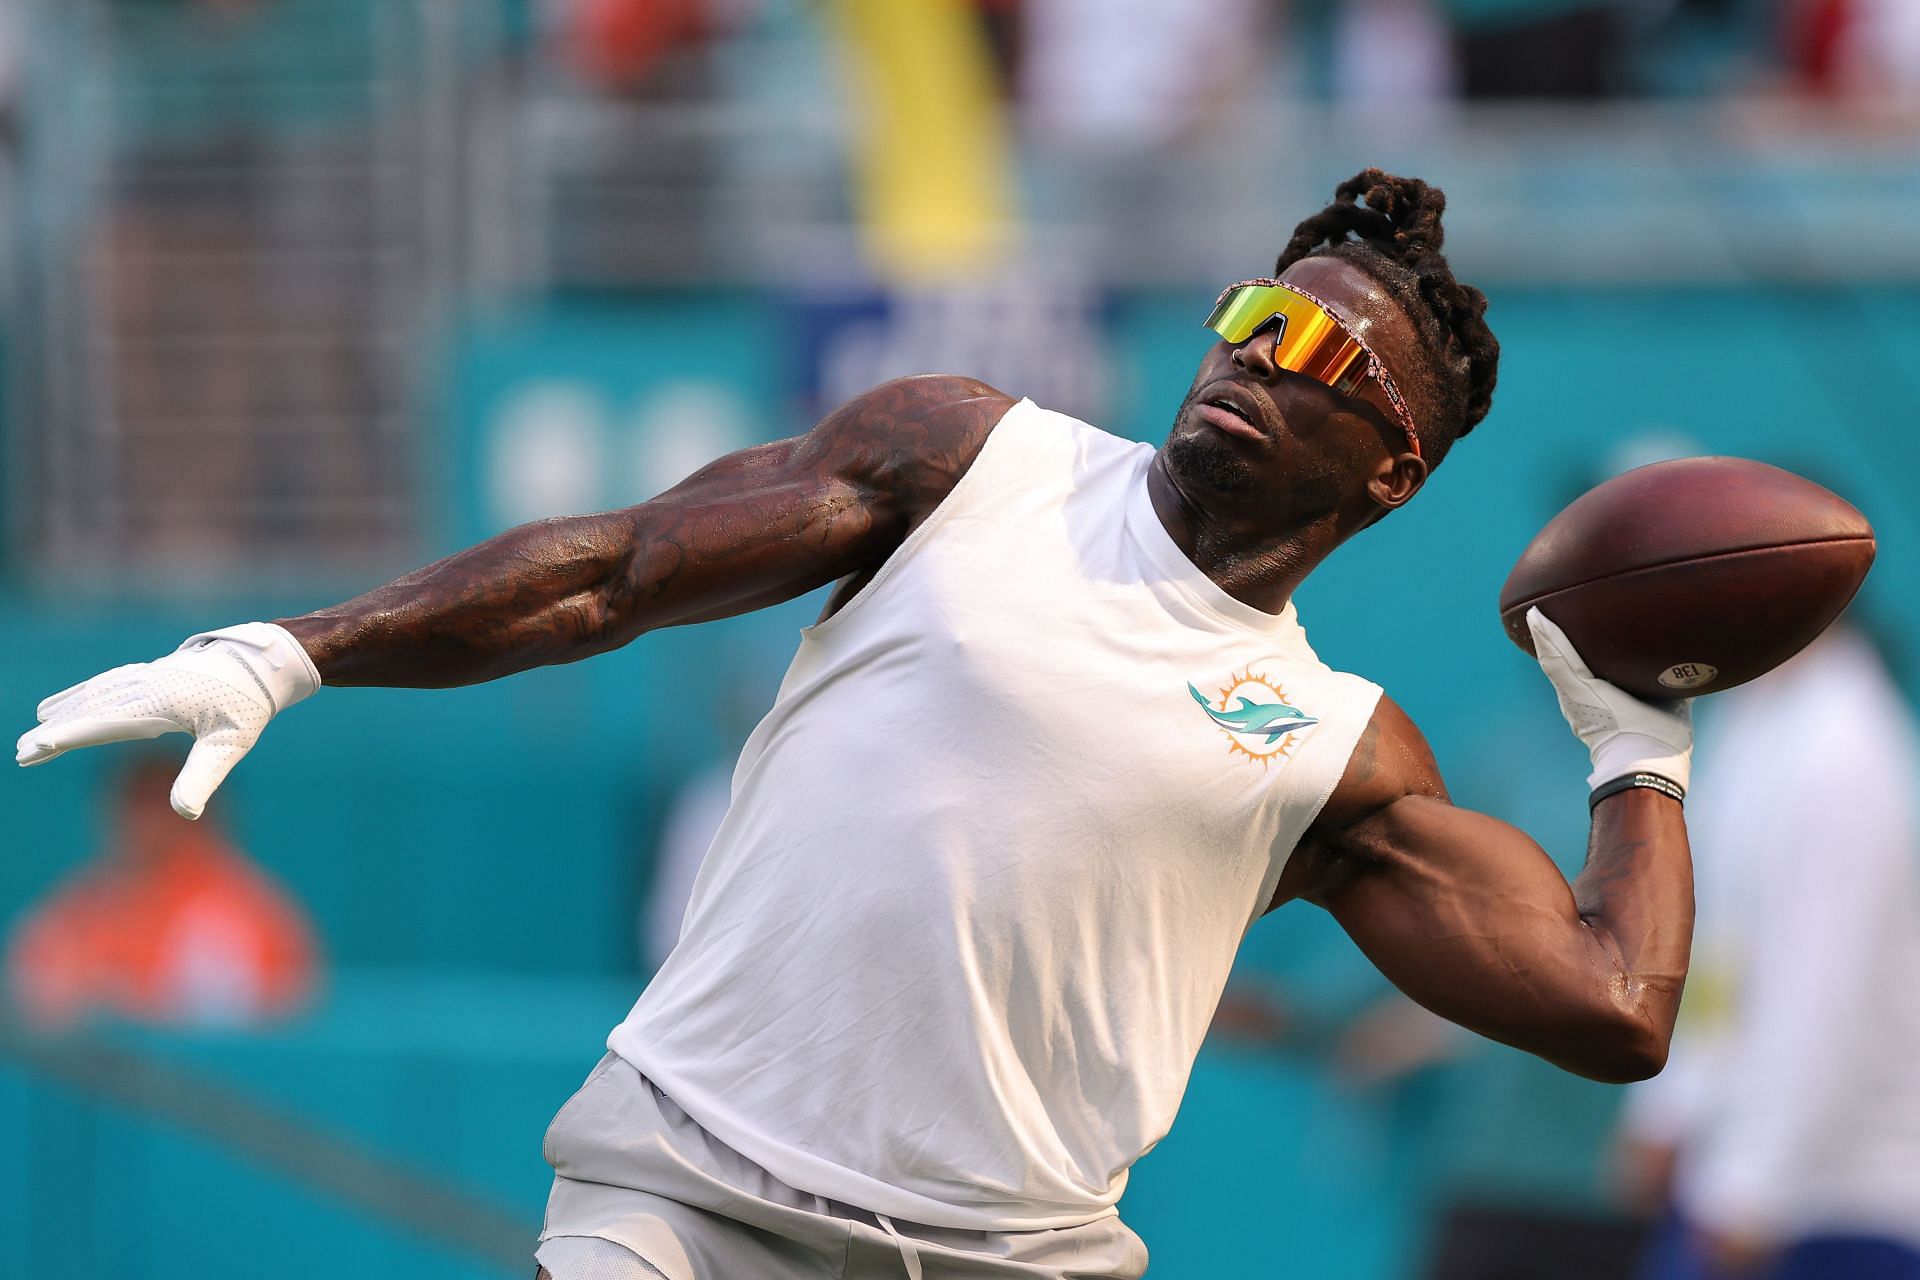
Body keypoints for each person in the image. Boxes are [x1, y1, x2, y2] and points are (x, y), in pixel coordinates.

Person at [15, 170, 1698, 1280]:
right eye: (1256, 312)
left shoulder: (1336, 743)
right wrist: (294, 652)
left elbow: (1615, 1009)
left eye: (1322, 349)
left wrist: (1640, 748)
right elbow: (613, 574)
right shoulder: (969, 458)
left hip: (1008, 1258)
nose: (1258, 353)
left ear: (1392, 466)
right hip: (681, 1198)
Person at [1616, 623, 1920, 1280]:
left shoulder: (1844, 751)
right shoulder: (1760, 718)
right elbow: (1725, 952)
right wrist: (1673, 1105)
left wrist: (1753, 1190)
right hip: (1737, 1181)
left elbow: (1823, 992)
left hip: (1837, 1205)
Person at [6, 754, 318, 1028]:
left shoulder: (242, 914)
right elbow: (29, 1004)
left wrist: (119, 999)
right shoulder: (77, 909)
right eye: (137, 803)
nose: (148, 823)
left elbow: (234, 1034)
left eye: (165, 803)